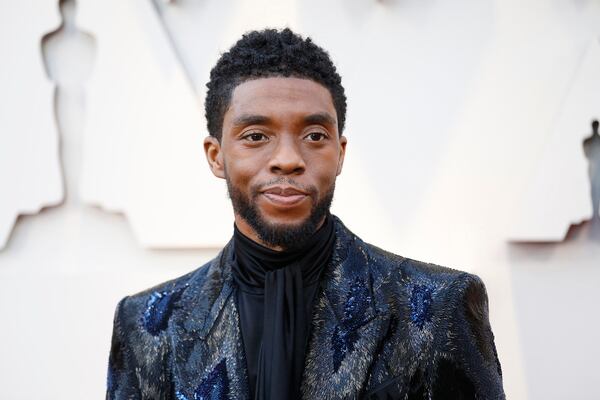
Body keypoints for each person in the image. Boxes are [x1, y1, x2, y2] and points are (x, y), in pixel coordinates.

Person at [106, 28, 505, 400]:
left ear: (340, 153)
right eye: (256, 136)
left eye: (314, 136)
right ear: (216, 156)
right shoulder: (147, 323)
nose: (287, 159)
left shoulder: (435, 305)